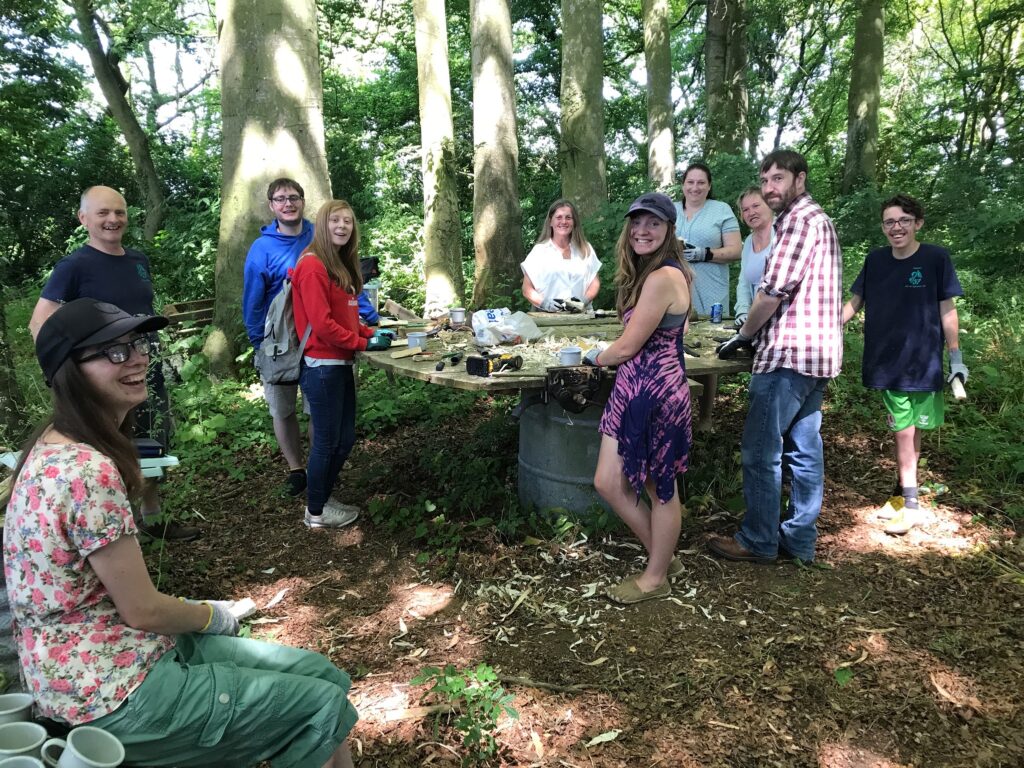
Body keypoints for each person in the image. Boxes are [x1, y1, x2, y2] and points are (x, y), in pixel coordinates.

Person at [3, 298, 358, 767]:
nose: (135, 358)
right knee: (322, 706)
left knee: (323, 675)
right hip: (108, 695)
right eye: (111, 352)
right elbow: (144, 610)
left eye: (137, 343)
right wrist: (212, 616)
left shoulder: (50, 445)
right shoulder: (85, 470)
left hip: (89, 666)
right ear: (69, 371)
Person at [27, 186, 199, 542]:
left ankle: (151, 518)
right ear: (84, 218)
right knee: (109, 445)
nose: (113, 220)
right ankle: (115, 526)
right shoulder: (74, 266)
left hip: (145, 365)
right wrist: (67, 375)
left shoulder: (137, 260)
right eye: (103, 213)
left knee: (151, 441)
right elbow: (40, 323)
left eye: (119, 212)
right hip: (104, 376)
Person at [712, 150, 843, 565]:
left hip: (789, 353)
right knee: (804, 451)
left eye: (778, 179)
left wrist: (744, 334)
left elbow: (772, 291)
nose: (770, 188)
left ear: (799, 179)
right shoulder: (819, 219)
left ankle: (758, 539)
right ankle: (799, 541)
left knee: (760, 450)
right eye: (765, 180)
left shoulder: (798, 222)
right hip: (818, 354)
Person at [587, 192, 694, 604]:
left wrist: (594, 356)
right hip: (630, 391)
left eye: (653, 223)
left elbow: (628, 347)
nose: (642, 230)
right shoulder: (650, 274)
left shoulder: (663, 277)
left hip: (655, 395)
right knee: (607, 481)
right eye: (637, 222)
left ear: (669, 230)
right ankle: (662, 557)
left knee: (659, 487)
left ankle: (655, 579)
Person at [842, 194, 966, 535]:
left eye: (903, 221)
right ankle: (909, 503)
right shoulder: (876, 260)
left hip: (924, 361)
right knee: (903, 430)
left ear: (917, 223)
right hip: (887, 360)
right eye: (890, 222)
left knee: (913, 431)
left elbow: (947, 309)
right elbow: (855, 303)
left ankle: (904, 498)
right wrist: (823, 327)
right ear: (883, 227)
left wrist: (955, 356)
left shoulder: (936, 258)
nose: (896, 228)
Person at [292, 200, 392, 528]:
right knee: (327, 440)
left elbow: (345, 319)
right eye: (335, 220)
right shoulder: (312, 265)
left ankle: (322, 495)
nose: (342, 226)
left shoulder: (338, 264)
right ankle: (316, 511)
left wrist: (371, 331)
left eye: (348, 221)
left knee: (345, 438)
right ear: (323, 224)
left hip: (340, 364)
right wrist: (363, 342)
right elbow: (321, 325)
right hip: (321, 366)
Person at [243, 177, 315, 498]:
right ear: (272, 206)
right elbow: (253, 298)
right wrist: (259, 342)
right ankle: (296, 470)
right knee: (282, 408)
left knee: (318, 405)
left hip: (316, 335)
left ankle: (318, 465)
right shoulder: (262, 248)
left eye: (294, 197)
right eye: (281, 198)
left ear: (302, 200)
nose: (288, 203)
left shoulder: (318, 235)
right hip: (277, 340)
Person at [673, 162, 742, 315]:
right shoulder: (670, 210)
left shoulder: (721, 209)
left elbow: (736, 250)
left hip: (712, 290)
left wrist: (705, 254)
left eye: (701, 182)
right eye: (690, 182)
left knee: (711, 334)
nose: (695, 187)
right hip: (674, 289)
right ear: (683, 185)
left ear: (709, 186)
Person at [521, 199, 601, 312]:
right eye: (559, 217)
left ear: (574, 222)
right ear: (550, 222)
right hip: (547, 318)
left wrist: (583, 301)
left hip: (582, 317)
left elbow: (595, 283)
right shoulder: (539, 252)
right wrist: (544, 304)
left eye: (568, 217)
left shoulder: (585, 248)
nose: (563, 221)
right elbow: (527, 288)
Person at [733, 186, 775, 327]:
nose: (751, 212)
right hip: (757, 321)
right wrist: (743, 311)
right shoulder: (749, 242)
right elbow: (744, 282)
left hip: (783, 319)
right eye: (745, 210)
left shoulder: (783, 235)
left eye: (756, 206)